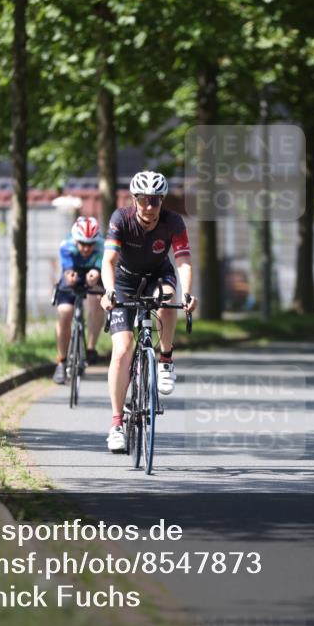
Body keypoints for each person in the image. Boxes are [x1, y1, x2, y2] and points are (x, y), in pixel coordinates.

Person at [100, 171, 197, 453]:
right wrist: (108, 292)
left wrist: (189, 292)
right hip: (124, 280)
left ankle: (165, 358)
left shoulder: (173, 222)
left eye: (155, 201)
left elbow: (183, 261)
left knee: (168, 298)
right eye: (143, 200)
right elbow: (108, 260)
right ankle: (117, 424)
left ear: (161, 201)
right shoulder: (121, 219)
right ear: (135, 200)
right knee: (122, 350)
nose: (149, 207)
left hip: (158, 275)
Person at [53, 216, 104, 384]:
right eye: (82, 243)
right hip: (73, 274)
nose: (86, 248)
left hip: (94, 274)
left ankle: (90, 347)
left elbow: (103, 266)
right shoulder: (66, 246)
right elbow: (67, 272)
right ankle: (61, 361)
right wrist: (70, 276)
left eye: (90, 244)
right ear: (75, 240)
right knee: (65, 312)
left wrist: (96, 272)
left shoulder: (103, 246)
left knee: (97, 301)